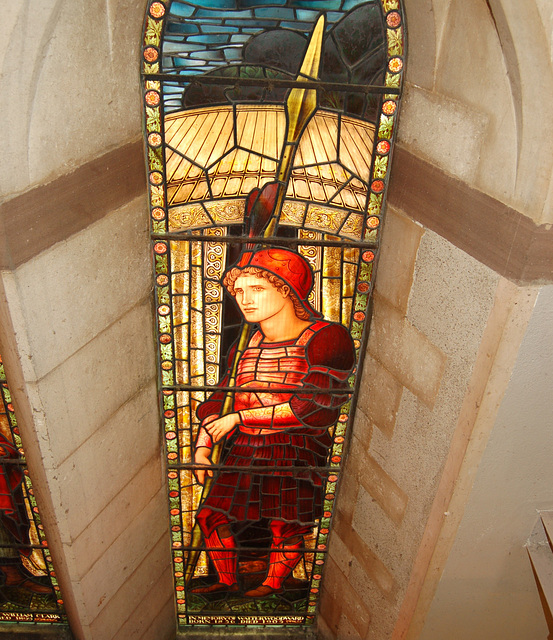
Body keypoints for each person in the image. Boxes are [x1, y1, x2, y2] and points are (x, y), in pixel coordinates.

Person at [192, 247, 355, 597]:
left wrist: (239, 417)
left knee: (288, 523)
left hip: (294, 445)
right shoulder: (247, 342)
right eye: (238, 292)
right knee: (211, 516)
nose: (245, 301)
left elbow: (310, 407)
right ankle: (226, 580)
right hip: (247, 444)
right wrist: (203, 448)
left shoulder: (327, 337)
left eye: (257, 290)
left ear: (287, 289)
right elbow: (221, 400)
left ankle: (273, 583)